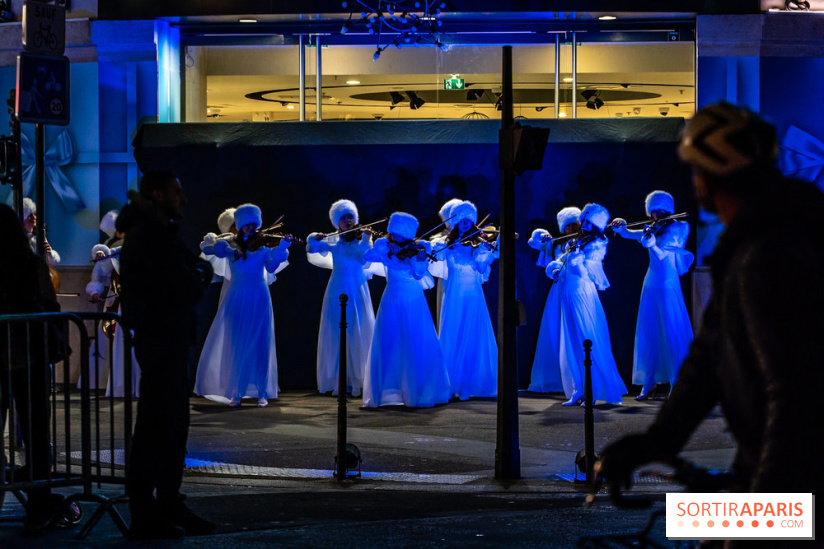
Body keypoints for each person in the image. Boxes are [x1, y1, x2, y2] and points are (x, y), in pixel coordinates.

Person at [597, 103, 824, 527]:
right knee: (691, 523)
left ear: (710, 176)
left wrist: (763, 505)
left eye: (697, 170)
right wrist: (659, 440)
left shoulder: (769, 254)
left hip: (792, 470)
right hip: (765, 459)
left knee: (700, 526)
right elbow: (709, 354)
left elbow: (793, 389)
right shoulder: (753, 240)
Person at [115, 170, 215, 539]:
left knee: (171, 427)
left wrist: (195, 275)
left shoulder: (158, 233)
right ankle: (147, 511)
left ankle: (167, 503)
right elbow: (186, 281)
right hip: (161, 338)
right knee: (157, 427)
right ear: (157, 195)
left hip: (168, 337)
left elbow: (197, 271)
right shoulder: (149, 236)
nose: (182, 199)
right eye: (176, 192)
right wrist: (194, 277)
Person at [0, 204, 68, 531]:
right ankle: (40, 504)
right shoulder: (31, 265)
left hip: (11, 356)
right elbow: (49, 306)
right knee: (36, 433)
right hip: (30, 357)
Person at [194, 203, 290, 408]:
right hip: (237, 295)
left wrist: (282, 248)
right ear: (239, 225)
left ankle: (262, 391)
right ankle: (236, 392)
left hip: (259, 295)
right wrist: (219, 245)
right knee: (237, 343)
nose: (251, 228)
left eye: (254, 224)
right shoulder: (229, 244)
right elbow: (207, 249)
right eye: (247, 224)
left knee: (260, 343)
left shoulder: (263, 246)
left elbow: (271, 267)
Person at [610, 191, 694, 400]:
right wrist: (620, 226)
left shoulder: (678, 228)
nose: (657, 215)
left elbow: (663, 254)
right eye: (654, 211)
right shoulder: (652, 229)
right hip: (651, 283)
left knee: (670, 330)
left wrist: (651, 243)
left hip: (667, 283)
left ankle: (677, 381)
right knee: (648, 331)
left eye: (661, 211)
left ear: (668, 210)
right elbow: (629, 233)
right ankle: (649, 381)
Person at [362, 212, 450, 408]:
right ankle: (388, 392)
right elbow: (366, 257)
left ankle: (416, 391)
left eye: (401, 234)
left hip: (413, 300)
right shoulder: (385, 248)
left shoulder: (418, 248)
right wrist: (383, 246)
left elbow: (420, 276)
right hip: (391, 298)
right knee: (391, 341)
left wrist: (420, 258)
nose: (396, 237)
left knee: (414, 339)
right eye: (394, 233)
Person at [545, 204, 627, 406]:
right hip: (567, 292)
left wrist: (576, 256)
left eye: (589, 223)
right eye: (584, 221)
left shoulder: (598, 244)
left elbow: (586, 272)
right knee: (571, 341)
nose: (585, 226)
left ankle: (593, 390)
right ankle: (578, 389)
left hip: (582, 292)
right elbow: (561, 261)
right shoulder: (576, 241)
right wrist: (555, 268)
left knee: (586, 338)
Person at [306, 199, 378, 397]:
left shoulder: (361, 240)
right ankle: (339, 381)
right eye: (343, 218)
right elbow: (311, 249)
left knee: (358, 329)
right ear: (337, 221)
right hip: (337, 287)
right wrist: (314, 237)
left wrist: (366, 240)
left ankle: (358, 380)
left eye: (350, 217)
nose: (348, 221)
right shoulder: (333, 241)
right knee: (336, 332)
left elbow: (365, 261)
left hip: (357, 287)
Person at [431, 200, 498, 400]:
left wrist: (486, 250)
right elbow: (435, 258)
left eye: (469, 220)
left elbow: (481, 268)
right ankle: (451, 383)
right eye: (462, 220)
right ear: (456, 222)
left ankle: (469, 383)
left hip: (473, 294)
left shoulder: (477, 244)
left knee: (472, 334)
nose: (466, 223)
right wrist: (433, 246)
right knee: (455, 332)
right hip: (454, 294)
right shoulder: (447, 244)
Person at [86, 210, 142, 398]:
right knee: (114, 340)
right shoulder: (111, 248)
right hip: (115, 300)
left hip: (135, 300)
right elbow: (99, 273)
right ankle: (118, 384)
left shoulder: (138, 245)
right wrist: (95, 291)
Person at [527, 206, 581, 394]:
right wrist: (543, 238)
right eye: (566, 226)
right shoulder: (558, 245)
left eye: (573, 225)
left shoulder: (583, 243)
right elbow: (534, 244)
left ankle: (577, 379)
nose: (569, 229)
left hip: (576, 288)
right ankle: (555, 378)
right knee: (554, 329)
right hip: (558, 289)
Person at [22, 197, 60, 266]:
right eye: (30, 215)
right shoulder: (17, 238)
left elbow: (54, 262)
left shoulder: (37, 237)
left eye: (34, 214)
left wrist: (49, 252)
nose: (34, 218)